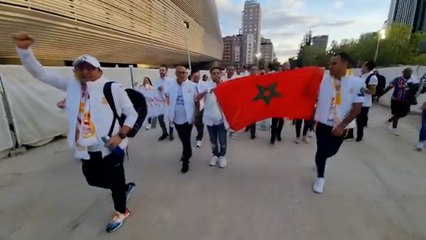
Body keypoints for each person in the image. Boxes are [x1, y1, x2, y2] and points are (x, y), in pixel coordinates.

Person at [12, 32, 138, 232]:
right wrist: (25, 51)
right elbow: (42, 74)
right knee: (92, 179)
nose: (85, 72)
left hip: (111, 147)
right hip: (87, 148)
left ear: (98, 69)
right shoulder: (74, 87)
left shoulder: (111, 88)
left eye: (89, 67)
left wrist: (119, 135)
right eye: (80, 68)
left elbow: (132, 114)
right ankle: (120, 189)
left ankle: (122, 210)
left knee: (114, 179)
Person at [313, 52, 364, 194]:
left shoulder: (356, 82)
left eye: (334, 63)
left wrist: (342, 126)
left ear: (345, 64)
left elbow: (357, 108)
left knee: (332, 151)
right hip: (323, 123)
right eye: (330, 63)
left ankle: (319, 161)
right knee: (322, 150)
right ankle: (320, 177)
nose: (331, 66)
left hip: (340, 126)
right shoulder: (323, 80)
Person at [196, 67, 229, 168]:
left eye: (218, 73)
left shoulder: (225, 85)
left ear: (221, 74)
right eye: (214, 73)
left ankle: (222, 156)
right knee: (213, 140)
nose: (216, 75)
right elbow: (197, 98)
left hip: (221, 119)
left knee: (222, 140)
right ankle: (215, 155)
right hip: (209, 119)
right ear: (210, 75)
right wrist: (206, 92)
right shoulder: (205, 85)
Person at [166, 66, 197, 173]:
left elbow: (197, 102)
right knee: (183, 138)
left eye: (184, 72)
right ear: (176, 74)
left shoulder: (193, 86)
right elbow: (165, 97)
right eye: (179, 72)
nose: (182, 74)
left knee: (185, 138)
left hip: (188, 118)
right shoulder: (170, 86)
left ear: (187, 73)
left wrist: (196, 116)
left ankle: (185, 161)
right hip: (176, 118)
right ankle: (187, 152)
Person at [347, 61, 378, 142]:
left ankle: (359, 136)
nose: (362, 67)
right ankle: (350, 134)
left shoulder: (372, 77)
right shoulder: (362, 75)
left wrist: (361, 89)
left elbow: (373, 92)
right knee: (351, 118)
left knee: (360, 121)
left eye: (363, 65)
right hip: (356, 101)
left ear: (367, 67)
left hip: (364, 103)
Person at [383, 68, 418, 136]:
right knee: (397, 114)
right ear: (403, 73)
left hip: (406, 101)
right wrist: (382, 93)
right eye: (407, 73)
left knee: (404, 114)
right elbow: (390, 86)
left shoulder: (413, 81)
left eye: (409, 74)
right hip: (396, 99)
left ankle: (390, 120)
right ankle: (394, 128)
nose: (408, 75)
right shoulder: (397, 79)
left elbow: (417, 90)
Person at [153, 65, 174, 141]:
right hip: (160, 103)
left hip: (169, 102)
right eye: (160, 70)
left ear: (166, 71)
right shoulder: (157, 81)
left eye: (163, 70)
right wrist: (157, 89)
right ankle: (165, 133)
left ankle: (171, 134)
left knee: (170, 119)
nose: (161, 72)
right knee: (160, 119)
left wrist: (167, 92)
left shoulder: (171, 80)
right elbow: (154, 91)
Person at [270, 63, 289, 144]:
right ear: (282, 67)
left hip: (284, 102)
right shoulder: (277, 75)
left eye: (288, 66)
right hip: (276, 101)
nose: (287, 68)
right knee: (274, 120)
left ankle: (278, 133)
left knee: (281, 120)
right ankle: (273, 137)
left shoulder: (291, 76)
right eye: (286, 66)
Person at [191, 70, 205, 148]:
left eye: (198, 76)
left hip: (201, 106)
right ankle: (199, 134)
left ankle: (199, 139)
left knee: (200, 123)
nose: (196, 77)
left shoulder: (203, 84)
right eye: (195, 76)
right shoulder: (188, 84)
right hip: (192, 106)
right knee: (196, 123)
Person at [247, 65, 260, 139]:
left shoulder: (260, 79)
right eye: (252, 69)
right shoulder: (246, 79)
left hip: (256, 100)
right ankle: (248, 126)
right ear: (250, 71)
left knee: (253, 117)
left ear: (257, 70)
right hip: (248, 100)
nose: (254, 71)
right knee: (248, 116)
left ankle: (253, 132)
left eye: (255, 69)